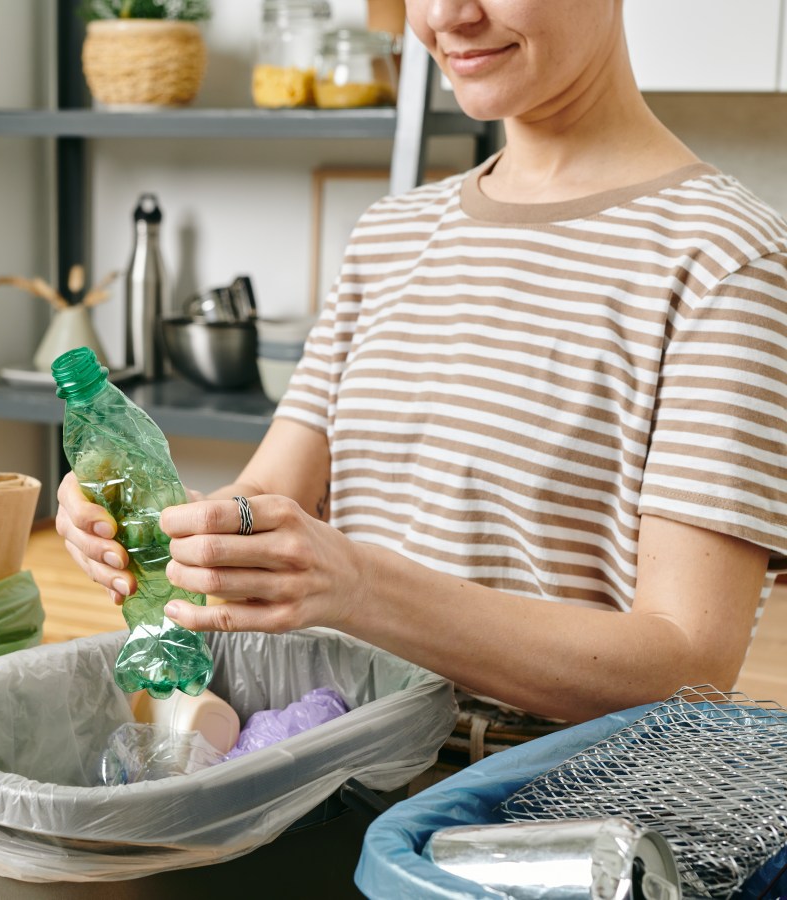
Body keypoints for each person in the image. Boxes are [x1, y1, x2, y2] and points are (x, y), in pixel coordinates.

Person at [57, 0, 787, 724]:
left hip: (527, 815)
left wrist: (362, 587)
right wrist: (149, 522)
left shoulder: (724, 262)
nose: (446, 15)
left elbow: (688, 666)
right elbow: (264, 501)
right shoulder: (391, 235)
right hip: (322, 760)